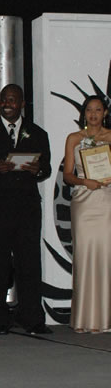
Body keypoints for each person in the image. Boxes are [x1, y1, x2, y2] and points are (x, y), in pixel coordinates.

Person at [0, 84, 52, 335]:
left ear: (23, 104)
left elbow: (45, 168)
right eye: (4, 99)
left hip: (26, 210)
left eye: (13, 100)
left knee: (29, 264)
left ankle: (32, 318)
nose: (7, 103)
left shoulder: (37, 133)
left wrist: (38, 170)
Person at [63, 95, 111, 333]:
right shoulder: (74, 139)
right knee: (84, 256)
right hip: (83, 200)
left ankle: (105, 318)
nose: (93, 114)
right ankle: (85, 318)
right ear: (83, 113)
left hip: (107, 201)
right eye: (89, 110)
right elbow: (67, 175)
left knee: (106, 256)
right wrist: (85, 181)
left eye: (98, 110)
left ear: (105, 113)